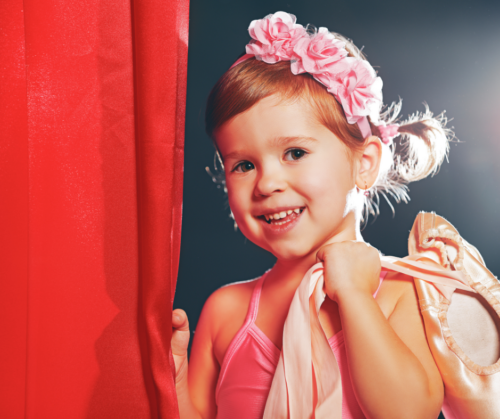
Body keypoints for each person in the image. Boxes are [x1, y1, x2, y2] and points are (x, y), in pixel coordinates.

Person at [171, 11, 451, 419]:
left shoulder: (398, 295)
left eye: (295, 153)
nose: (266, 183)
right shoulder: (226, 310)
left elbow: (408, 413)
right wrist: (177, 379)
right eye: (243, 164)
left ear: (365, 162)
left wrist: (355, 296)